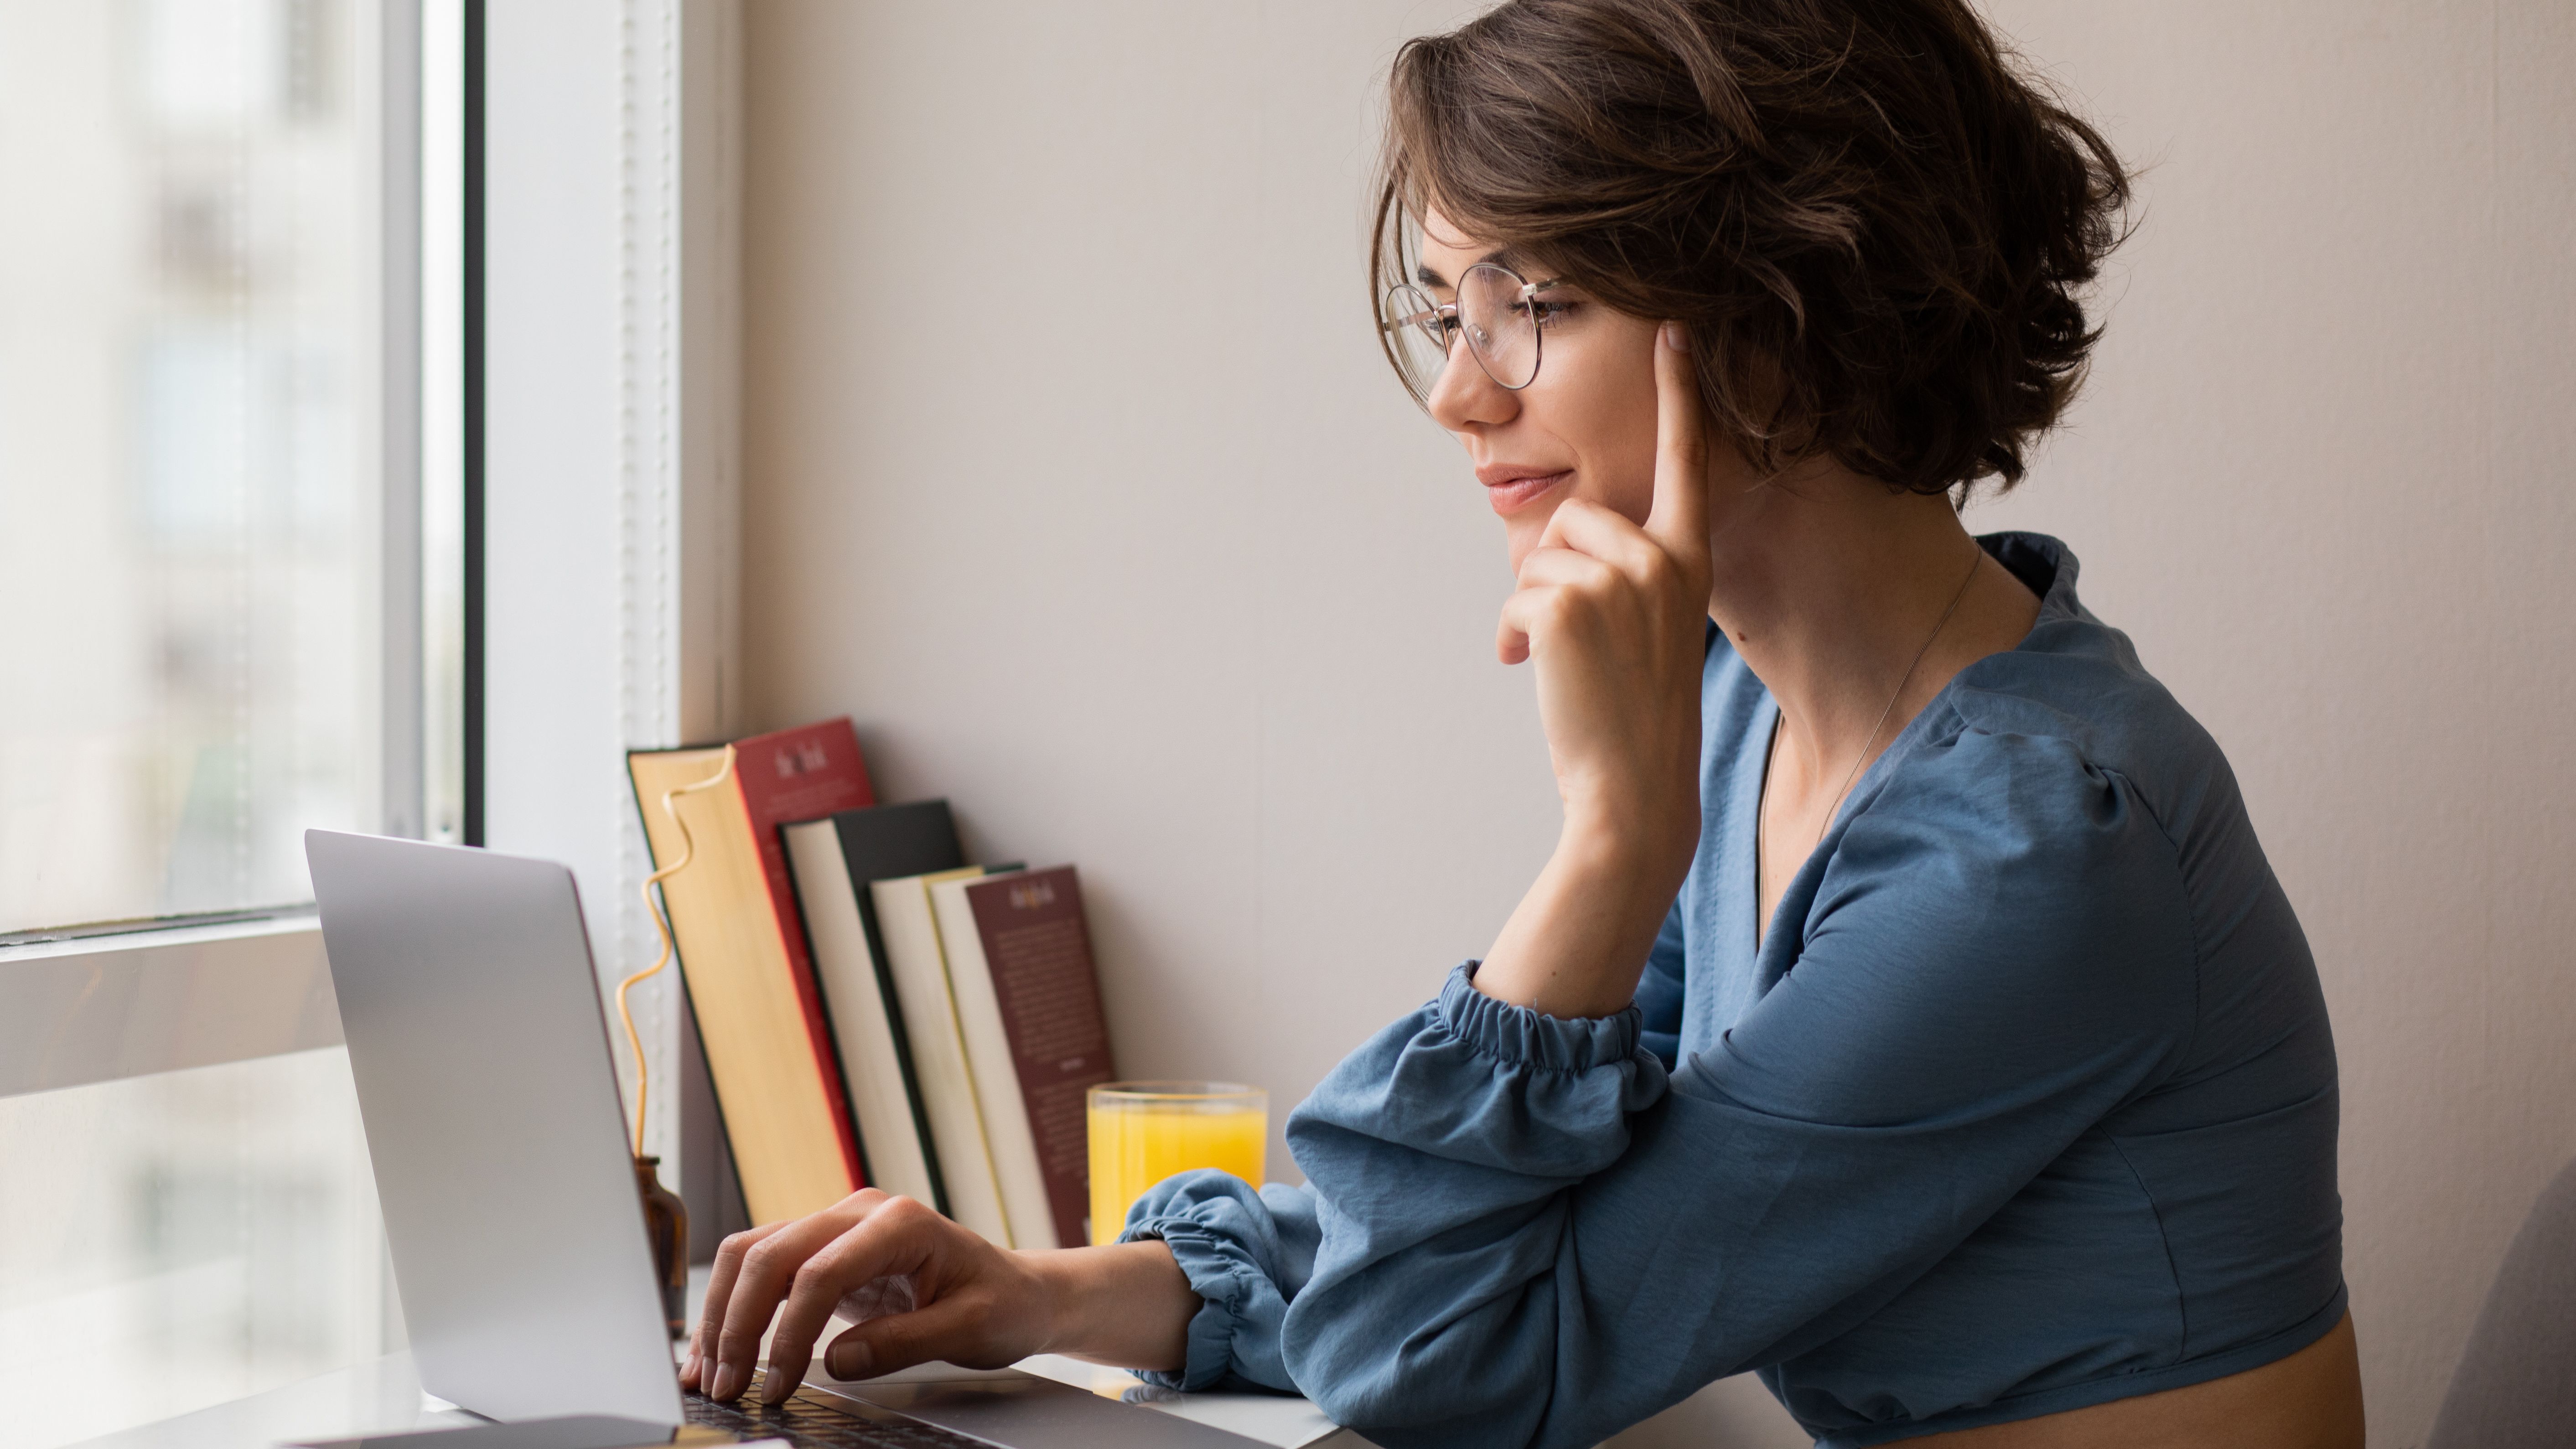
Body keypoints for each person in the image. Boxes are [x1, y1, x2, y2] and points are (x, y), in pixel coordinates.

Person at [684, 1, 2363, 1444]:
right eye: (1447, 304)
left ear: (1782, 315)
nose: (1457, 391)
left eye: (1535, 300)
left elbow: (1456, 1346)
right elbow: (1493, 1211)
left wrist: (1612, 839)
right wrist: (1053, 1289)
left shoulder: (2032, 851)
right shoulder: (1749, 714)